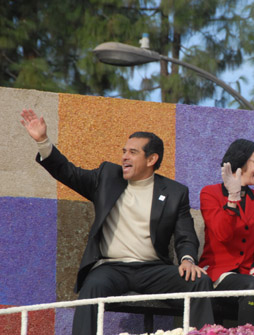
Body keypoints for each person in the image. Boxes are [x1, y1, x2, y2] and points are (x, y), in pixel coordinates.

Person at [20, 109, 214, 335]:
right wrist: (43, 141)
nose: (124, 157)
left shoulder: (174, 192)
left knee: (200, 281)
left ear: (151, 159)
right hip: (112, 268)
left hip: (154, 269)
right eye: (124, 151)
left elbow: (185, 235)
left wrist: (188, 259)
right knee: (92, 286)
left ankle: (208, 332)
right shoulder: (107, 177)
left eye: (132, 152)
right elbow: (68, 172)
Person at [198, 139, 254, 326]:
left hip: (250, 274)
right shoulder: (209, 193)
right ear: (241, 161)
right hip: (219, 273)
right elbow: (222, 234)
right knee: (252, 286)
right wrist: (233, 197)